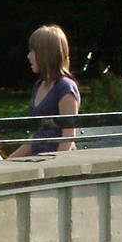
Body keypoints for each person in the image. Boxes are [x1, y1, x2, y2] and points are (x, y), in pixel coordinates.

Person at [10, 24, 81, 156]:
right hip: (37, 161)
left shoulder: (65, 87)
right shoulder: (38, 86)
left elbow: (68, 138)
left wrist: (56, 168)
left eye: (33, 51)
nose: (28, 56)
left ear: (45, 53)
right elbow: (38, 135)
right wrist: (7, 161)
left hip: (55, 163)